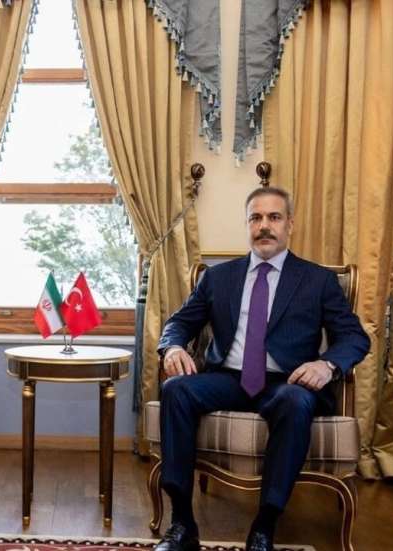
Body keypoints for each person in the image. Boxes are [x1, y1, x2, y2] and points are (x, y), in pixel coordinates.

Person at [153, 187, 369, 551]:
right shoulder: (219, 278)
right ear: (247, 224)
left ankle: (264, 527)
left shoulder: (317, 280)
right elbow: (179, 323)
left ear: (290, 225)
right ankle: (182, 524)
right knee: (176, 389)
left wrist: (327, 364)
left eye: (274, 217)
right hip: (228, 379)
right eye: (256, 218)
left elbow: (354, 337)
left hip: (287, 382)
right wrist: (172, 347)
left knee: (296, 401)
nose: (264, 226)